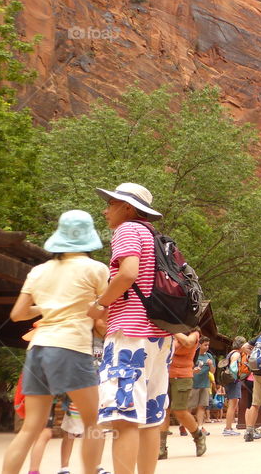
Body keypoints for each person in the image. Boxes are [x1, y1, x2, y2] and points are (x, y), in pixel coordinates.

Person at [3, 210, 107, 474]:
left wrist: (48, 307)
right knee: (92, 423)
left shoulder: (39, 271)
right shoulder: (96, 269)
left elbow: (17, 314)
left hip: (38, 348)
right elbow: (104, 314)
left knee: (31, 427)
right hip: (71, 347)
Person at [88, 183, 173, 474]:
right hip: (161, 337)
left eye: (110, 204)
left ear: (127, 208)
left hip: (130, 334)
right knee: (150, 417)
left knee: (123, 418)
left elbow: (127, 273)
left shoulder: (127, 230)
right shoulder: (156, 236)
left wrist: (101, 304)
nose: (105, 210)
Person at [159, 328, 206, 459]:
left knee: (179, 410)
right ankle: (161, 448)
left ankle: (198, 436)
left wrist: (169, 328)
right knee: (164, 410)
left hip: (182, 376)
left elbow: (188, 343)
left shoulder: (194, 334)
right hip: (165, 374)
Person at [222, 336, 247, 436]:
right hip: (234, 381)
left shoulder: (231, 353)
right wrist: (238, 375)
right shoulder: (236, 354)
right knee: (233, 405)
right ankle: (228, 428)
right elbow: (233, 367)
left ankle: (229, 427)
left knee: (232, 404)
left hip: (229, 381)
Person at [191, 336, 215, 434]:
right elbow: (187, 368)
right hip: (193, 384)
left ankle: (200, 427)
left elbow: (213, 371)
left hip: (205, 385)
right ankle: (183, 425)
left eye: (208, 345)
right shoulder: (193, 355)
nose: (207, 347)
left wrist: (210, 365)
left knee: (202, 406)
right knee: (190, 407)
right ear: (199, 345)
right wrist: (193, 370)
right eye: (205, 345)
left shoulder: (209, 356)